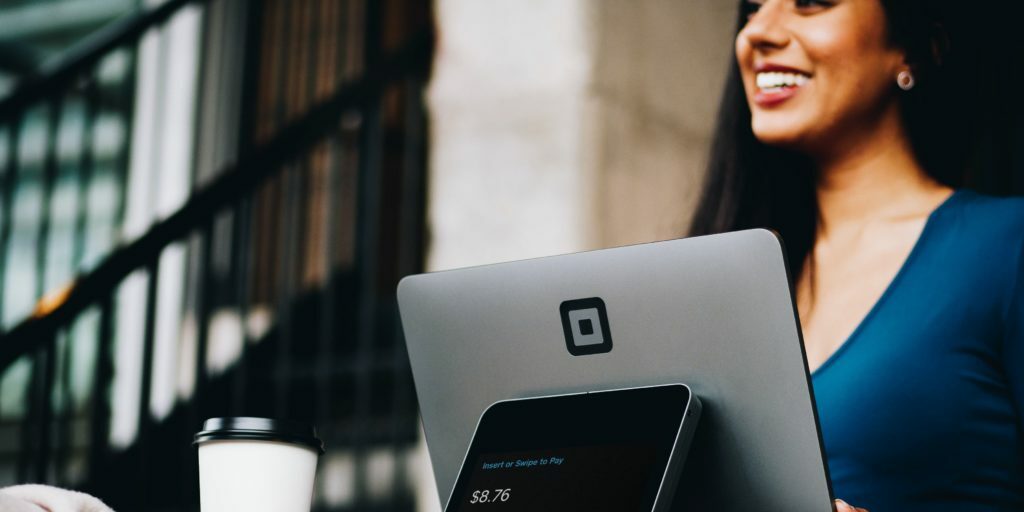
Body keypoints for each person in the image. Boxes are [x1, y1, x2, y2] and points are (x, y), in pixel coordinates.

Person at [689, 0, 1024, 510]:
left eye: (811, 3)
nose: (757, 32)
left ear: (912, 47)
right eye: (754, 7)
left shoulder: (1007, 246)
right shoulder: (717, 285)